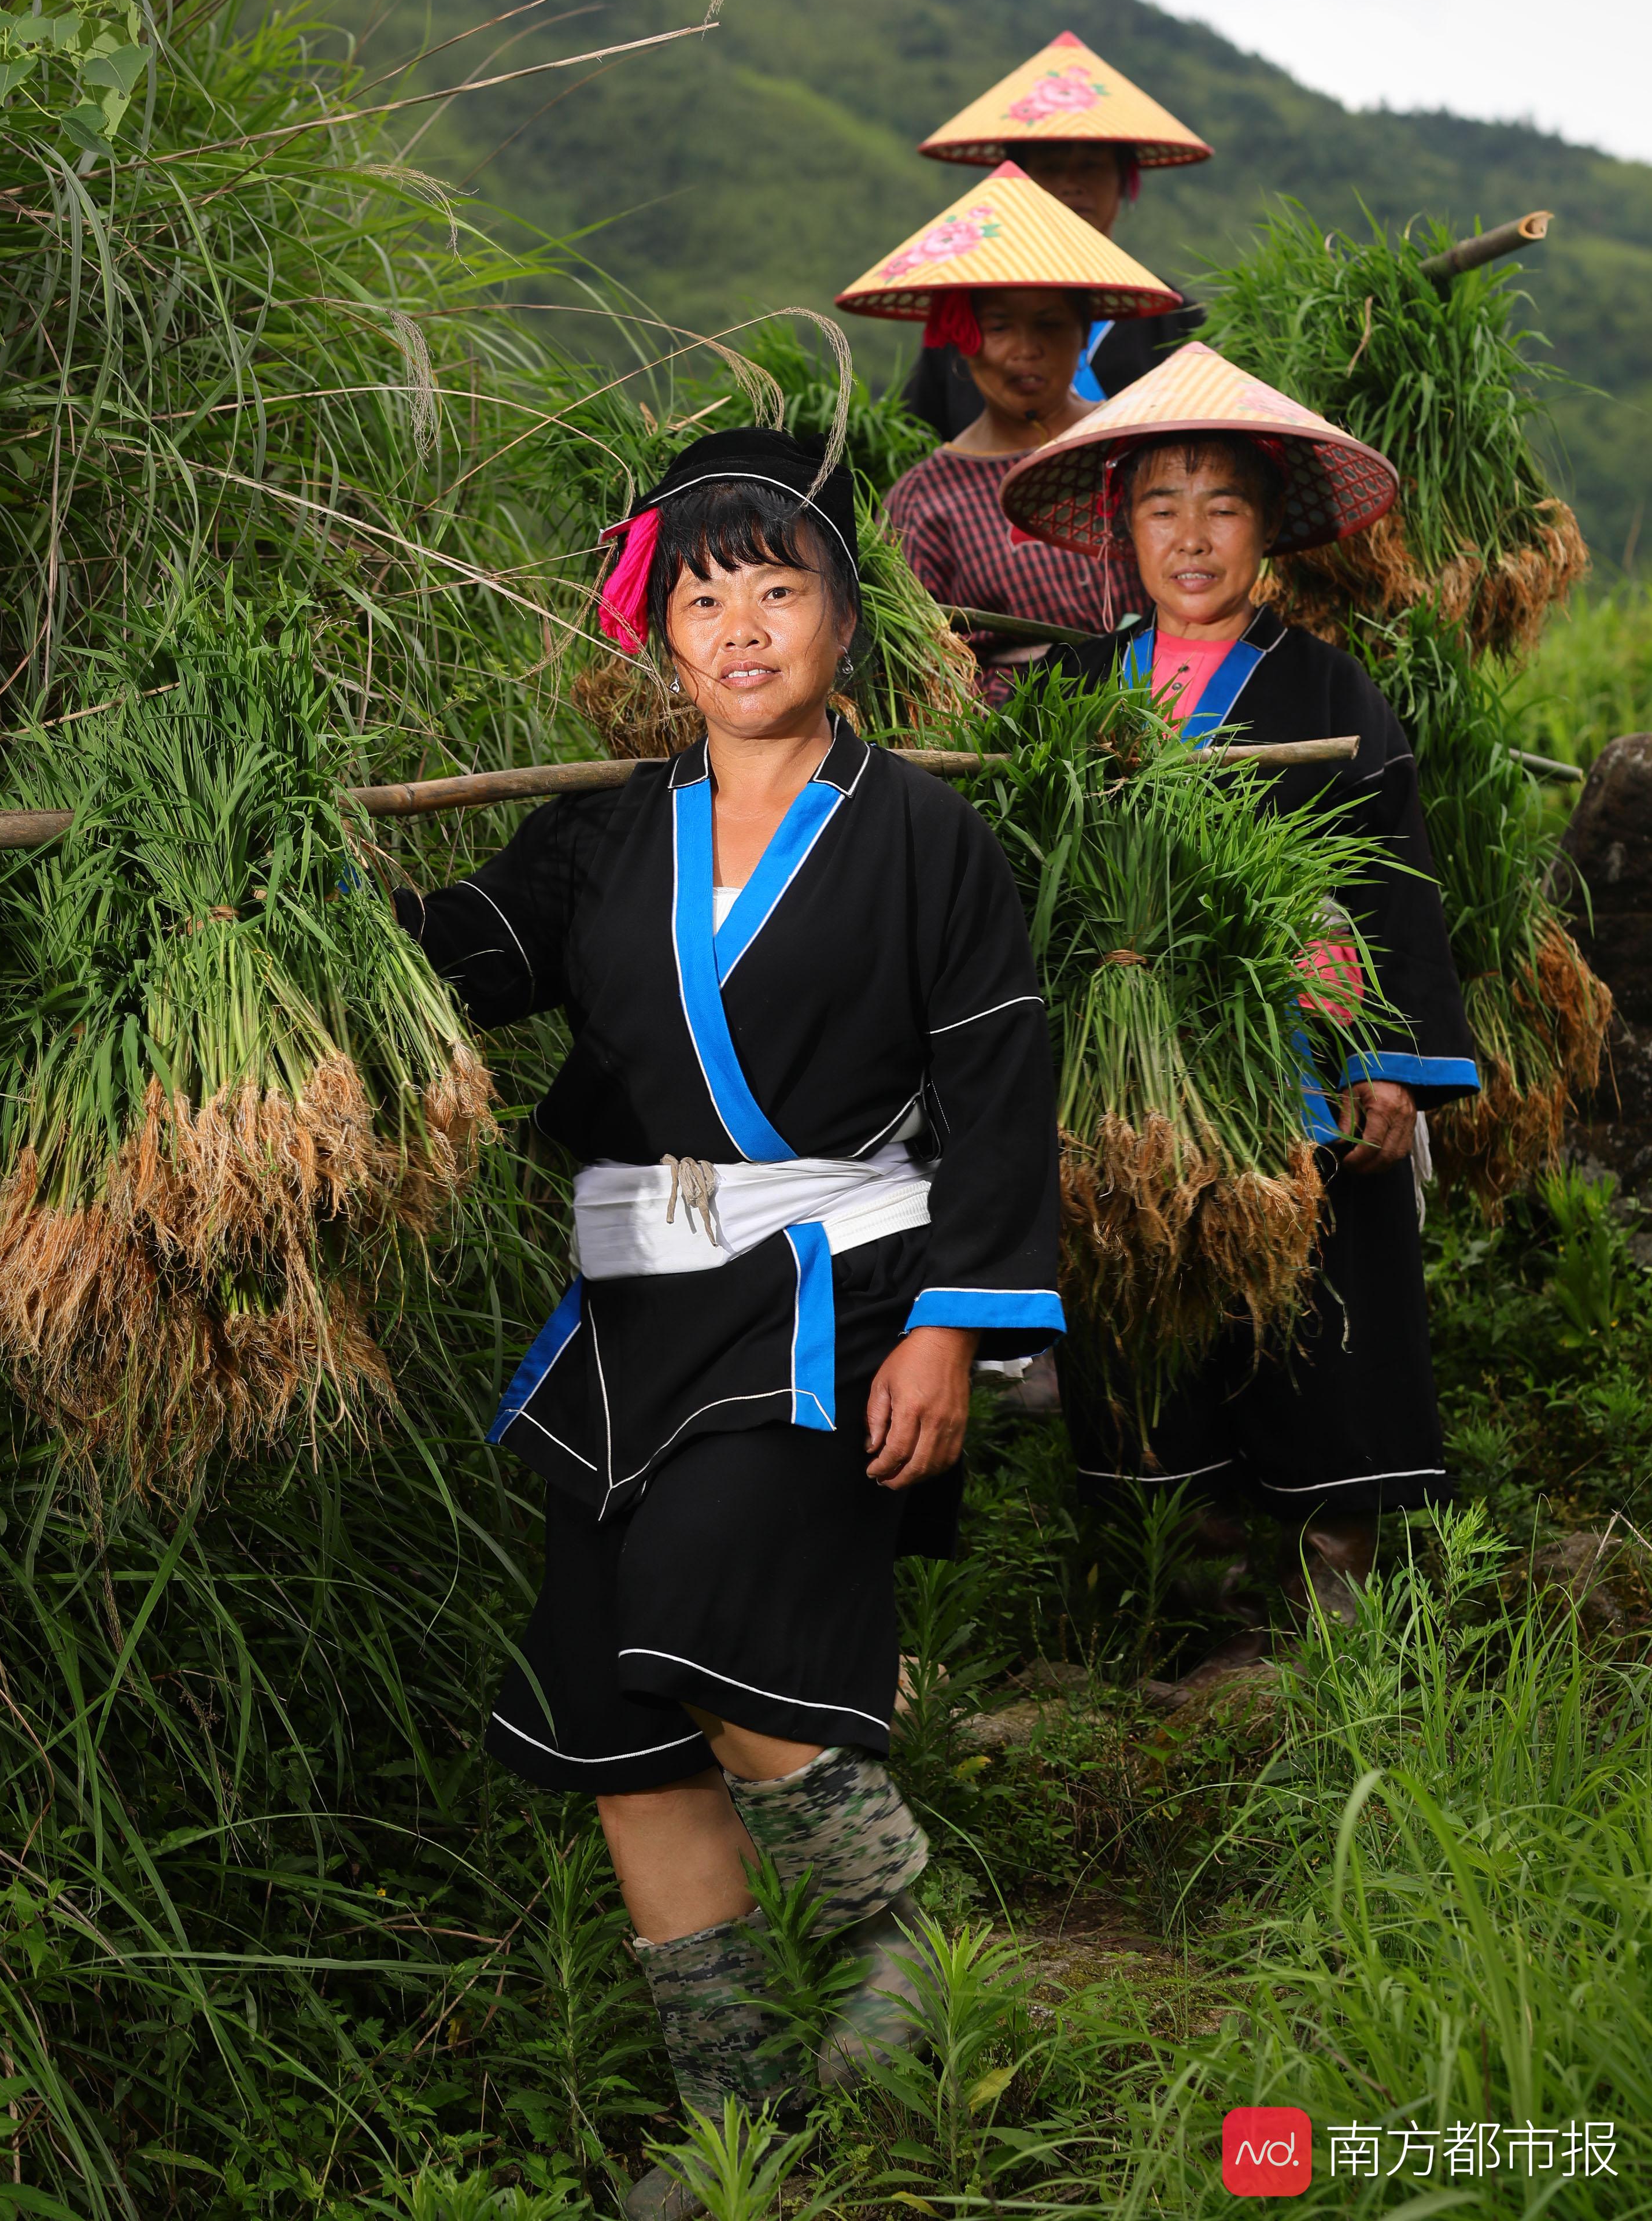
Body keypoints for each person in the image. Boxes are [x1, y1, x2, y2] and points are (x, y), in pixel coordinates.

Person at [393, 425, 1064, 2209]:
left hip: (831, 1290)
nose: (742, 629)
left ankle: (897, 1930)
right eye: (703, 600)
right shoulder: (603, 834)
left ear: (849, 620)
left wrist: (953, 1329)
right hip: (634, 1309)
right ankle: (741, 2119)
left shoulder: (922, 835)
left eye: (779, 589)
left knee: (698, 1604)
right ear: (660, 633)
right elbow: (464, 958)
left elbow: (999, 1088)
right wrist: (302, 899)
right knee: (617, 1721)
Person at [999, 343, 1480, 1645]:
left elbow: (1394, 884)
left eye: (1223, 506)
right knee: (1150, 1316)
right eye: (1163, 506)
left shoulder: (1329, 688)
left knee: (1324, 1319)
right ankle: (1186, 1608)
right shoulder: (1070, 693)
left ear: (1267, 530)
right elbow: (1022, 879)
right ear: (1124, 528)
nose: (1193, 537)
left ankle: (1339, 1585)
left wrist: (1389, 1061)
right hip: (1124, 1080)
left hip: (1297, 1071)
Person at [836, 160, 1179, 702]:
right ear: (964, 337)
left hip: (1169, 703)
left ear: (1082, 332)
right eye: (999, 327)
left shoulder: (1136, 446)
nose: (1027, 349)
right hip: (1012, 732)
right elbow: (915, 671)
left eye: (1050, 324)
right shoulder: (926, 499)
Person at [907, 31, 1211, 441]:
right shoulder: (967, 313)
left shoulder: (1172, 318)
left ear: (1124, 181)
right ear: (1016, 181)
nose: (1070, 184)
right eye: (1050, 168)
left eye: (1091, 166)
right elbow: (914, 441)